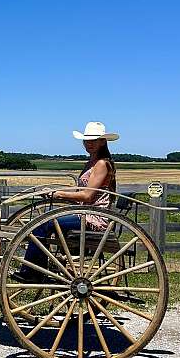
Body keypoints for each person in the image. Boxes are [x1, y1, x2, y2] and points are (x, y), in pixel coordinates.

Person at [18, 121, 118, 282]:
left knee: (44, 223)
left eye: (94, 140)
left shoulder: (101, 164)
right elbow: (81, 191)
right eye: (87, 140)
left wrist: (58, 194)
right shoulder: (92, 162)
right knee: (44, 222)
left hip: (92, 218)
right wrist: (53, 191)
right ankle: (38, 268)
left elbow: (87, 196)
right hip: (83, 214)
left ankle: (34, 272)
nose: (89, 143)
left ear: (103, 141)